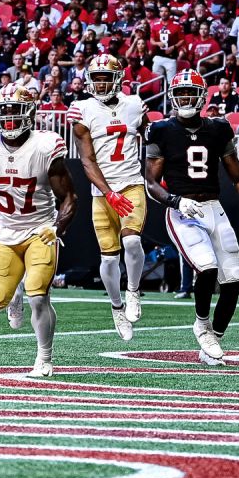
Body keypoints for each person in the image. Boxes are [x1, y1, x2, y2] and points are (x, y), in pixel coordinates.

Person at [145, 71, 239, 365]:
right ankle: (201, 323)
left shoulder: (219, 129)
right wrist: (176, 201)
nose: (185, 99)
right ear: (173, 97)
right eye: (181, 93)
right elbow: (150, 183)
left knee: (234, 280)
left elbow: (238, 178)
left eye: (191, 93)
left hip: (214, 207)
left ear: (201, 97)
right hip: (183, 211)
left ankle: (214, 339)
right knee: (208, 267)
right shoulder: (161, 129)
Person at [0, 84, 77, 378]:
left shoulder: (45, 146)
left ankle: (44, 357)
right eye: (3, 112)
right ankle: (14, 291)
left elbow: (70, 198)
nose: (9, 118)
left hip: (39, 230)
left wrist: (56, 228)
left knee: (39, 295)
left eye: (15, 111)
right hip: (5, 232)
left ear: (29, 113)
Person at [69, 54, 148, 341]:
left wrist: (153, 173)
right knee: (110, 259)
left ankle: (134, 291)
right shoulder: (81, 109)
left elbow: (149, 136)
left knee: (132, 240)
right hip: (102, 192)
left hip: (131, 183)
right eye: (97, 78)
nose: (100, 84)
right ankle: (116, 307)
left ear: (118, 79)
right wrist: (107, 193)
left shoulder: (135, 104)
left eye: (106, 78)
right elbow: (87, 160)